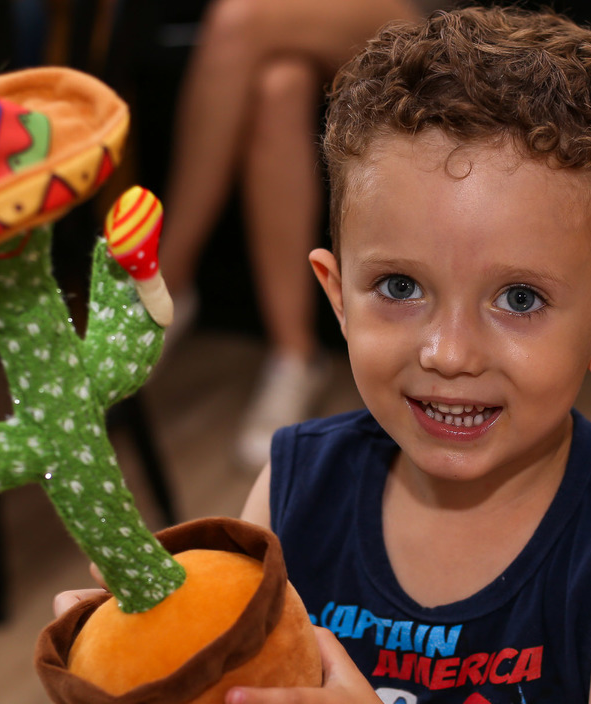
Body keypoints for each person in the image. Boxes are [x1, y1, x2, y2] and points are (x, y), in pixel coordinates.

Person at [56, 8, 591, 704]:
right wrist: (143, 658)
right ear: (335, 293)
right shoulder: (295, 488)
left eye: (519, 299)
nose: (448, 352)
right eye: (400, 286)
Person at [156, 0, 441, 468]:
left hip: (424, 12)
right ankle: (295, 355)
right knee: (278, 86)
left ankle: (167, 280)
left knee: (237, 20)